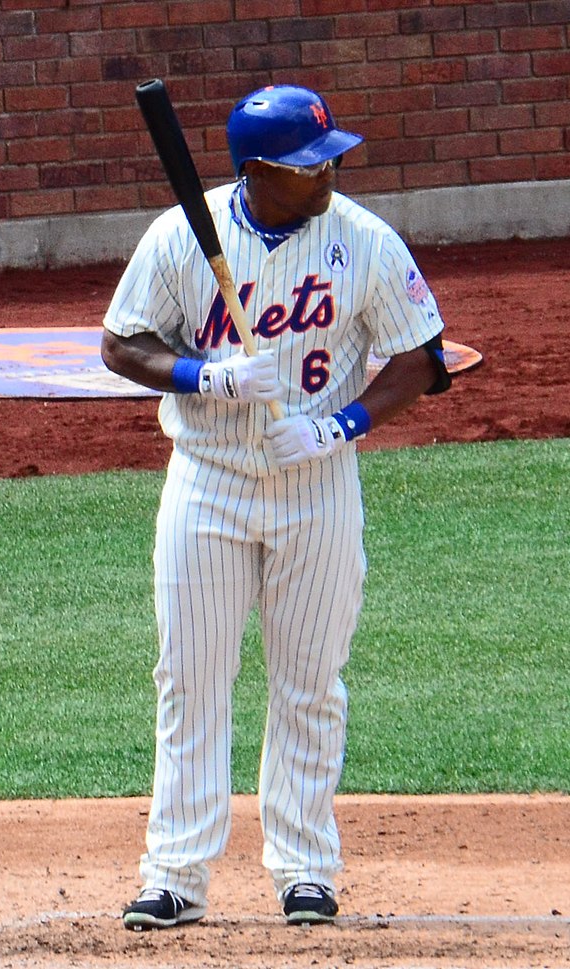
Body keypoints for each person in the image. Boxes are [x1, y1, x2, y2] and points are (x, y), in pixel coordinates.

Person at [101, 84, 451, 930]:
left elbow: (423, 359)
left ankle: (305, 867)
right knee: (192, 679)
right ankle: (175, 872)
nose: (327, 171)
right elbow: (121, 342)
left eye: (331, 155)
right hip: (207, 481)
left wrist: (340, 425)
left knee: (309, 682)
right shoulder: (183, 235)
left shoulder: (362, 240)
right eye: (306, 164)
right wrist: (202, 374)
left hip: (318, 490)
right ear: (256, 170)